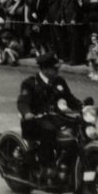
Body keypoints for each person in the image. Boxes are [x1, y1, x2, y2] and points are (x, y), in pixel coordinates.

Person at [16, 53, 83, 182]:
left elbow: (70, 98)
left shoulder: (59, 81)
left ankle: (66, 164)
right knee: (49, 131)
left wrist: (82, 106)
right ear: (45, 69)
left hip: (55, 118)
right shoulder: (30, 83)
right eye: (55, 68)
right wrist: (27, 113)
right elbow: (22, 102)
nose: (58, 71)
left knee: (76, 129)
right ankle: (47, 167)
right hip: (36, 120)